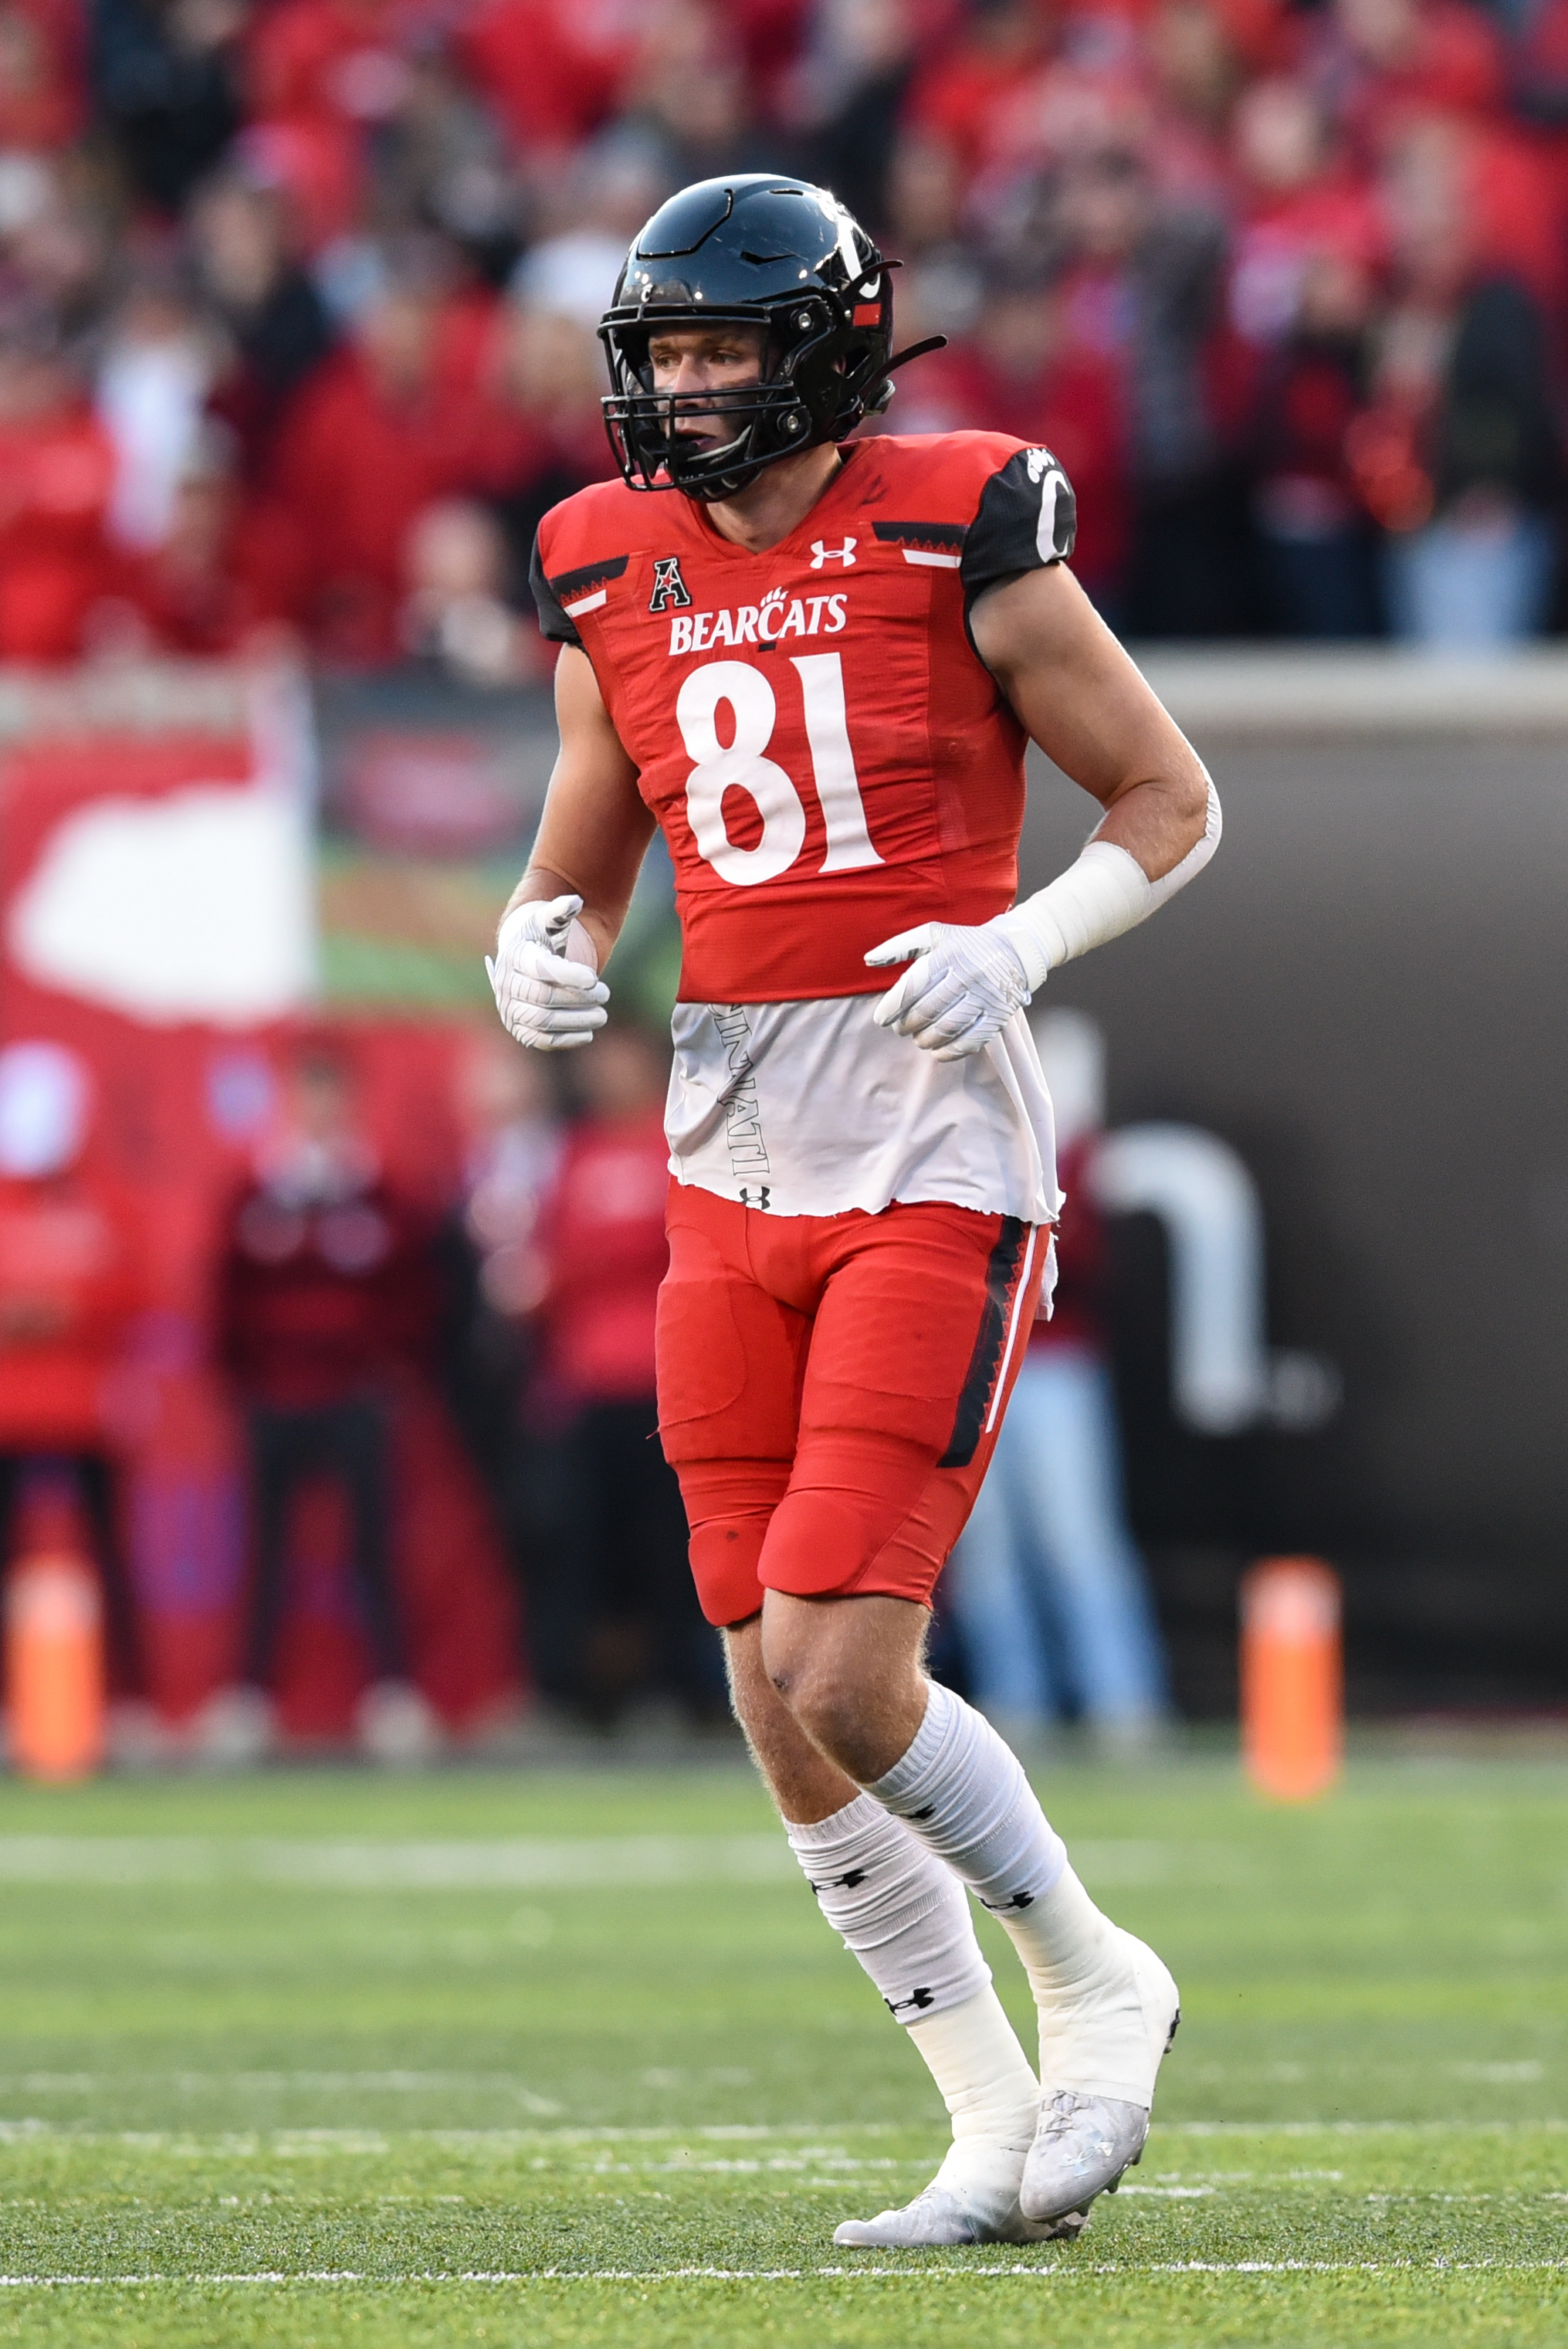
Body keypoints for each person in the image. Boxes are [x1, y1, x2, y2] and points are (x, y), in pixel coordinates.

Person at [489, 173, 1219, 2250]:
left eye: (722, 347)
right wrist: (531, 950)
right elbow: (581, 854)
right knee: (753, 1660)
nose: (687, 387)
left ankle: (1090, 1966)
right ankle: (982, 2120)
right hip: (721, 1151)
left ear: (818, 346)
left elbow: (1168, 799)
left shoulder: (953, 517)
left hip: (925, 1138)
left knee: (836, 1657)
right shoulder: (599, 562)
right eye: (666, 353)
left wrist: (1028, 938)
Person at [945, 1008, 1172, 1749]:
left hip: (1052, 1365)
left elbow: (1062, 1251)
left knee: (1077, 1538)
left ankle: (1121, 1698)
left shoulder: (1065, 1145)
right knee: (987, 1550)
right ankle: (1016, 1700)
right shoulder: (947, 1142)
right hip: (972, 1366)